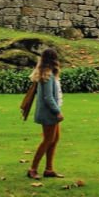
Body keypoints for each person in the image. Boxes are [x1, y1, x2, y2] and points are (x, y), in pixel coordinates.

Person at [27, 48, 64, 179]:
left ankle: (49, 169)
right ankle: (32, 169)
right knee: (47, 140)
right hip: (49, 113)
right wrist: (57, 112)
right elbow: (48, 97)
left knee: (54, 139)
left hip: (51, 112)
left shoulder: (49, 73)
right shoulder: (46, 75)